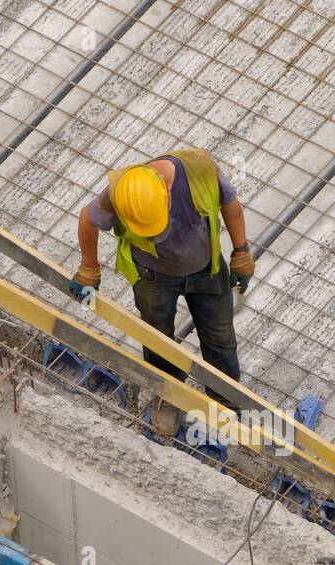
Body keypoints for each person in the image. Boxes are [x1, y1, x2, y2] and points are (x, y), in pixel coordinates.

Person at [71, 148, 253, 423]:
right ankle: (169, 395)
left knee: (220, 338)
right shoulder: (123, 192)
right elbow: (88, 219)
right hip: (153, 277)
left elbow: (231, 206)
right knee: (157, 340)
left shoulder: (200, 171)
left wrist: (241, 253)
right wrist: (89, 268)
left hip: (206, 269)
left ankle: (225, 404)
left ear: (167, 193)